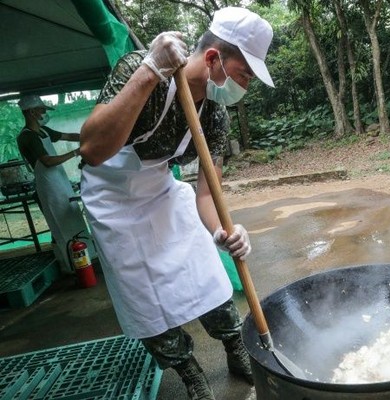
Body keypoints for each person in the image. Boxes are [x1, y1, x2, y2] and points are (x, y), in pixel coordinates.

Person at [78, 7, 274, 400]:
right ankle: (190, 375)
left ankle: (237, 350)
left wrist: (223, 231)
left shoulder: (215, 116)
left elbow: (206, 192)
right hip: (111, 200)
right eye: (243, 75)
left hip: (161, 189)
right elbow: (93, 149)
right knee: (145, 300)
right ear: (215, 58)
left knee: (207, 276)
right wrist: (150, 71)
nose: (245, 87)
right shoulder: (139, 67)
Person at [16, 95, 96, 274]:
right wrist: (77, 152)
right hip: (48, 186)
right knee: (61, 223)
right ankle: (72, 266)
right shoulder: (27, 137)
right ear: (32, 112)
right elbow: (48, 161)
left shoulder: (43, 131)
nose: (45, 113)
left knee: (73, 218)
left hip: (60, 181)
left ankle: (88, 258)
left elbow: (67, 136)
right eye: (42, 110)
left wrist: (90, 137)